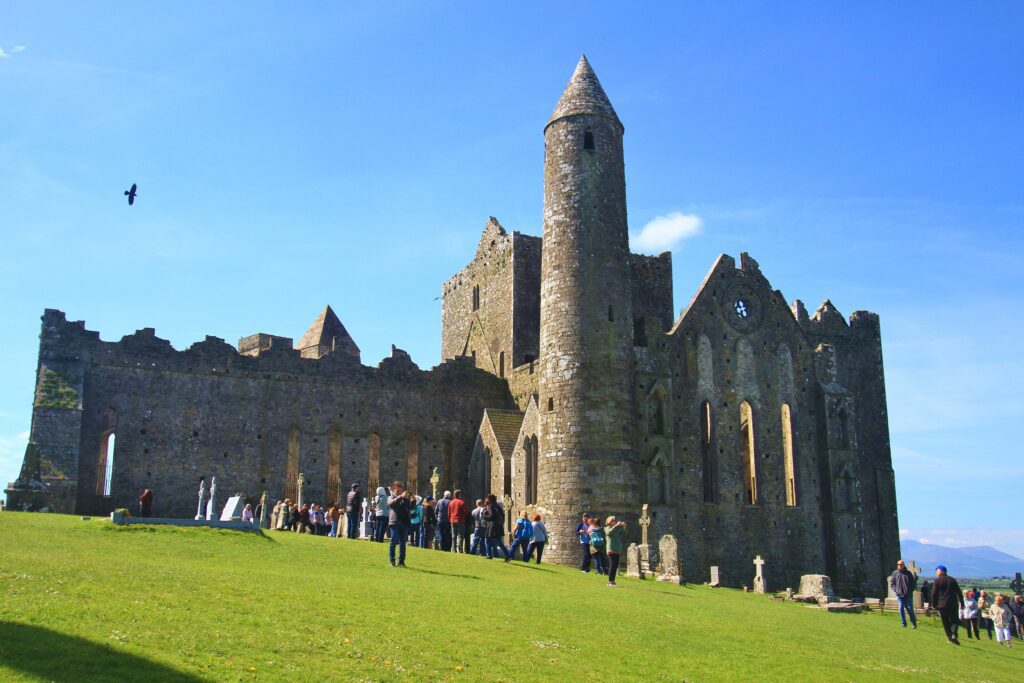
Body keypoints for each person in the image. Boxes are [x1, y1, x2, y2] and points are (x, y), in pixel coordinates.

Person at [931, 565, 965, 644]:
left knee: (945, 622)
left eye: (937, 570)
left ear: (942, 571)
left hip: (942, 604)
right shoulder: (952, 580)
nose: (936, 572)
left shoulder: (937, 580)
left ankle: (950, 638)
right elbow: (959, 592)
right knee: (954, 620)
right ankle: (954, 634)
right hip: (953, 604)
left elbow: (934, 594)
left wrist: (934, 605)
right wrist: (962, 603)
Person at [387, 481, 413, 567]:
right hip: (395, 522)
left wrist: (413, 501)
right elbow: (392, 504)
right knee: (393, 542)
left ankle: (401, 561)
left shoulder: (405, 498)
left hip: (404, 523)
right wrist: (400, 497)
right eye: (398, 488)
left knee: (403, 543)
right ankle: (392, 561)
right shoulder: (390, 497)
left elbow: (410, 508)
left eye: (401, 488)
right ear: (394, 489)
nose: (400, 490)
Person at [888, 560, 918, 629]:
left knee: (910, 609)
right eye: (898, 564)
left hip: (908, 596)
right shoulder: (895, 573)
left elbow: (913, 584)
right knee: (901, 608)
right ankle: (903, 623)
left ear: (903, 565)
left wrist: (909, 591)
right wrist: (896, 590)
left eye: (901, 564)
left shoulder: (908, 573)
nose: (900, 565)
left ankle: (914, 623)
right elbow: (892, 583)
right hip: (899, 595)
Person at [482, 494, 510, 561]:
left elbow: (491, 516)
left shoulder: (491, 506)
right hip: (498, 527)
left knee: (488, 541)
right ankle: (508, 555)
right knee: (499, 543)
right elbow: (502, 517)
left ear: (490, 499)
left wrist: (485, 515)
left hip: (492, 527)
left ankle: (489, 555)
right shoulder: (498, 507)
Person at [605, 516, 627, 587]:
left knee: (615, 566)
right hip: (611, 549)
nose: (614, 521)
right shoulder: (607, 528)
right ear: (609, 522)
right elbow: (609, 533)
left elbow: (624, 533)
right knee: (612, 565)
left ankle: (613, 581)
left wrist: (625, 526)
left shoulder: (617, 529)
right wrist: (616, 526)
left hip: (617, 549)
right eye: (612, 520)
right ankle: (610, 581)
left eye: (614, 520)